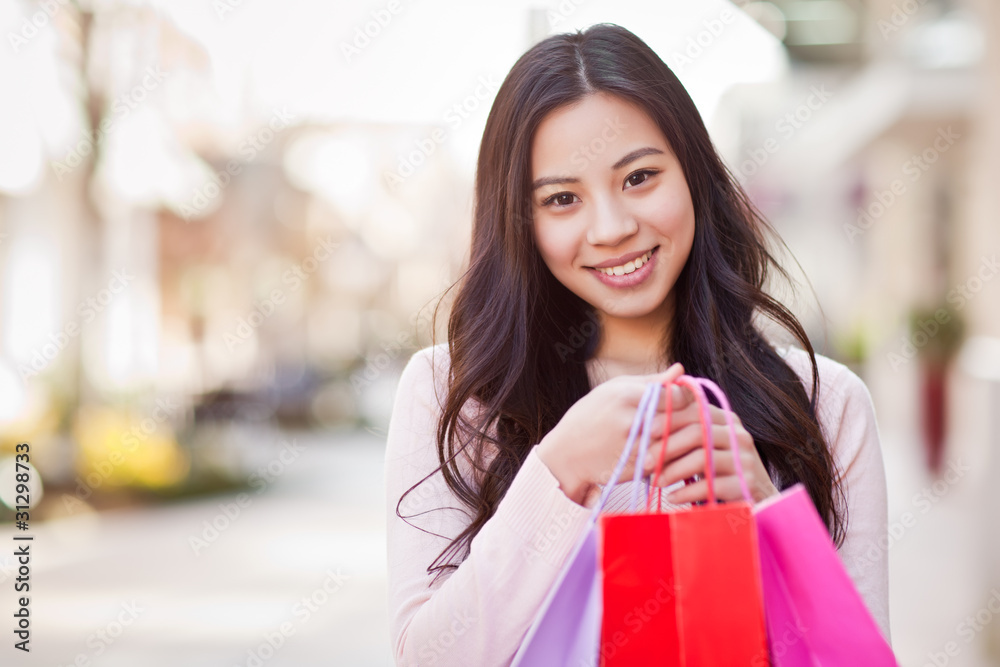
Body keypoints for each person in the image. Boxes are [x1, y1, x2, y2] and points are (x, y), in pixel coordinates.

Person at [384, 23, 890, 666]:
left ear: (695, 177)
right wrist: (558, 472)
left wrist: (765, 515)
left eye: (640, 177)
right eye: (563, 198)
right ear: (521, 220)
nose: (613, 228)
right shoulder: (451, 395)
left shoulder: (825, 405)